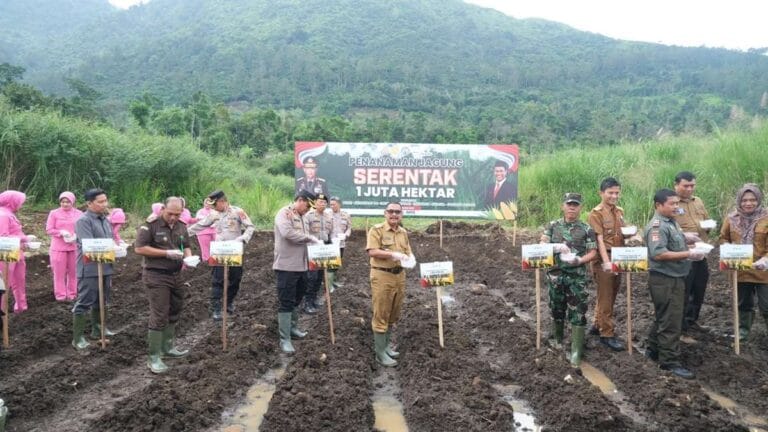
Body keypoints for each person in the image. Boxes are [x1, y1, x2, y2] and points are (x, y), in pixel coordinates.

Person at [643, 189, 704, 379]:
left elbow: (673, 242)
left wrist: (686, 239)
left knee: (665, 315)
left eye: (677, 203)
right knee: (672, 320)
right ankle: (669, 361)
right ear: (659, 205)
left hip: (674, 277)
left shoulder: (671, 222)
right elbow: (659, 253)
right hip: (665, 279)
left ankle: (653, 349)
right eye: (672, 204)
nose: (676, 207)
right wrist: (689, 254)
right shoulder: (657, 226)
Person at [134, 197, 194, 374]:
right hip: (156, 275)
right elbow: (139, 248)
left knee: (175, 309)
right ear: (162, 209)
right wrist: (166, 253)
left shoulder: (182, 225)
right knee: (159, 313)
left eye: (177, 214)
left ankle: (168, 348)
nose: (173, 217)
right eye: (170, 214)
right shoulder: (151, 225)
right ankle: (153, 357)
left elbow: (187, 245)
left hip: (176, 275)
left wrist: (188, 257)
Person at [541, 193, 597, 367]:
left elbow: (593, 252)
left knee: (578, 313)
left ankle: (576, 352)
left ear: (580, 208)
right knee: (557, 308)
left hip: (576, 278)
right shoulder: (552, 226)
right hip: (556, 275)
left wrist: (579, 260)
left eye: (575, 205)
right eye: (569, 204)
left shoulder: (586, 229)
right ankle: (557, 341)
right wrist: (556, 247)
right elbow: (542, 245)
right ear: (563, 206)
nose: (572, 207)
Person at [188, 190, 254, 320]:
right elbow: (200, 225)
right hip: (219, 249)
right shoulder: (213, 214)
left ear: (223, 201)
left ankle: (228, 302)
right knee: (217, 279)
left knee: (235, 278)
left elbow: (250, 226)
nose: (213, 207)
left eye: (215, 204)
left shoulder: (237, 211)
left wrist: (243, 238)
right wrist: (184, 233)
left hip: (234, 249)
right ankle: (216, 309)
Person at [273, 190, 322, 354]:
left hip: (302, 265)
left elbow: (305, 234)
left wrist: (314, 242)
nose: (308, 210)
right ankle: (284, 339)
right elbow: (288, 233)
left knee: (298, 297)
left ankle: (293, 328)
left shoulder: (303, 216)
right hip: (286, 266)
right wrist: (310, 238)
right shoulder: (284, 213)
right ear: (300, 201)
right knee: (286, 301)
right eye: (307, 206)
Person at [366, 201, 414, 367]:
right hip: (382, 276)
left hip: (399, 276)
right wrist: (391, 254)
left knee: (394, 312)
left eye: (397, 212)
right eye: (391, 211)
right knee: (381, 312)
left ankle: (386, 347)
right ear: (385, 213)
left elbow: (407, 251)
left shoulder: (403, 232)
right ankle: (380, 353)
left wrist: (409, 258)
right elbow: (372, 251)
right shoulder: (376, 230)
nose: (394, 215)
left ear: (401, 215)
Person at [719, 184, 768, 342]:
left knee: (766, 306)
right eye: (745, 200)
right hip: (740, 270)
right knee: (743, 304)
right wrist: (727, 248)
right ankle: (742, 332)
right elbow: (723, 237)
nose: (748, 203)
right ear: (739, 201)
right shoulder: (731, 218)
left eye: (752, 200)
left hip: (763, 272)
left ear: (758, 200)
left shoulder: (766, 218)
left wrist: (765, 259)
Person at [588, 177, 631, 351]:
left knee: (611, 294)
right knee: (605, 297)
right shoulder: (595, 214)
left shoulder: (619, 211)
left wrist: (630, 234)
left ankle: (597, 324)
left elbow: (622, 233)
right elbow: (599, 240)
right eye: (610, 193)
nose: (614, 196)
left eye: (617, 193)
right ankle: (607, 333)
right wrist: (606, 263)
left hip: (619, 257)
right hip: (604, 260)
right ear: (601, 193)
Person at [72, 188, 118, 350]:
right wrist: (110, 249)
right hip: (89, 268)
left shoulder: (105, 219)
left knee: (102, 299)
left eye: (105, 201)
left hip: (105, 266)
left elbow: (109, 240)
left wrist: (117, 247)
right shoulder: (83, 221)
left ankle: (98, 328)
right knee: (84, 301)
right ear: (89, 203)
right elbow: (88, 245)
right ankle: (77, 338)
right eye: (100, 202)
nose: (104, 204)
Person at [674, 171, 711, 331]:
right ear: (676, 185)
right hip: (683, 256)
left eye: (692, 186)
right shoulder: (672, 203)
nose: (689, 189)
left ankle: (692, 320)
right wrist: (683, 236)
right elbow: (666, 229)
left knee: (699, 287)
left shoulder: (698, 201)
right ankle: (681, 326)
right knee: (684, 291)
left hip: (701, 253)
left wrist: (708, 226)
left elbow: (706, 220)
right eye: (685, 186)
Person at [46, 191, 83, 301]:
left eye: (68, 202)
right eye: (63, 201)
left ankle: (72, 294)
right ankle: (60, 296)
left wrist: (76, 236)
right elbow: (49, 229)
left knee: (74, 272)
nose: (65, 204)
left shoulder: (79, 214)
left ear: (73, 202)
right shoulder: (54, 213)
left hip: (74, 246)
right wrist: (61, 233)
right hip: (58, 247)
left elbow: (83, 228)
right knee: (59, 273)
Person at [0, 190, 32, 313]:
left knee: (19, 280)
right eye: (20, 202)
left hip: (17, 251)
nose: (21, 205)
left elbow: (14, 232)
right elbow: (3, 238)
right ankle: (2, 312)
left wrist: (24, 242)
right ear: (12, 201)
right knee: (4, 283)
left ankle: (21, 307)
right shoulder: (3, 215)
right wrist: (24, 238)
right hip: (6, 253)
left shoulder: (10, 214)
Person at [302, 193, 333, 314]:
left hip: (323, 250)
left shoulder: (328, 216)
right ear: (315, 203)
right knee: (312, 277)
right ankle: (307, 302)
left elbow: (329, 233)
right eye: (320, 202)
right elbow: (304, 232)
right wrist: (313, 241)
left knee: (320, 277)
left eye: (325, 202)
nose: (323, 204)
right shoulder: (308, 216)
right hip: (312, 250)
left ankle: (314, 299)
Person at [329, 196, 352, 290]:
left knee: (337, 264)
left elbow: (349, 228)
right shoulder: (327, 215)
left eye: (334, 204)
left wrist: (345, 235)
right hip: (330, 244)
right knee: (331, 265)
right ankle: (329, 285)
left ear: (339, 204)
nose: (332, 206)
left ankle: (333, 281)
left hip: (341, 244)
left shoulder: (346, 215)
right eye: (330, 204)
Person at [193, 197, 216, 262]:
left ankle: (215, 262)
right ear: (204, 203)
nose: (208, 205)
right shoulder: (200, 212)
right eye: (206, 203)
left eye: (209, 203)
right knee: (205, 248)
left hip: (213, 232)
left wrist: (214, 224)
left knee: (215, 247)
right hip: (203, 232)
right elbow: (199, 219)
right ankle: (206, 262)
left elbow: (218, 220)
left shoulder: (214, 211)